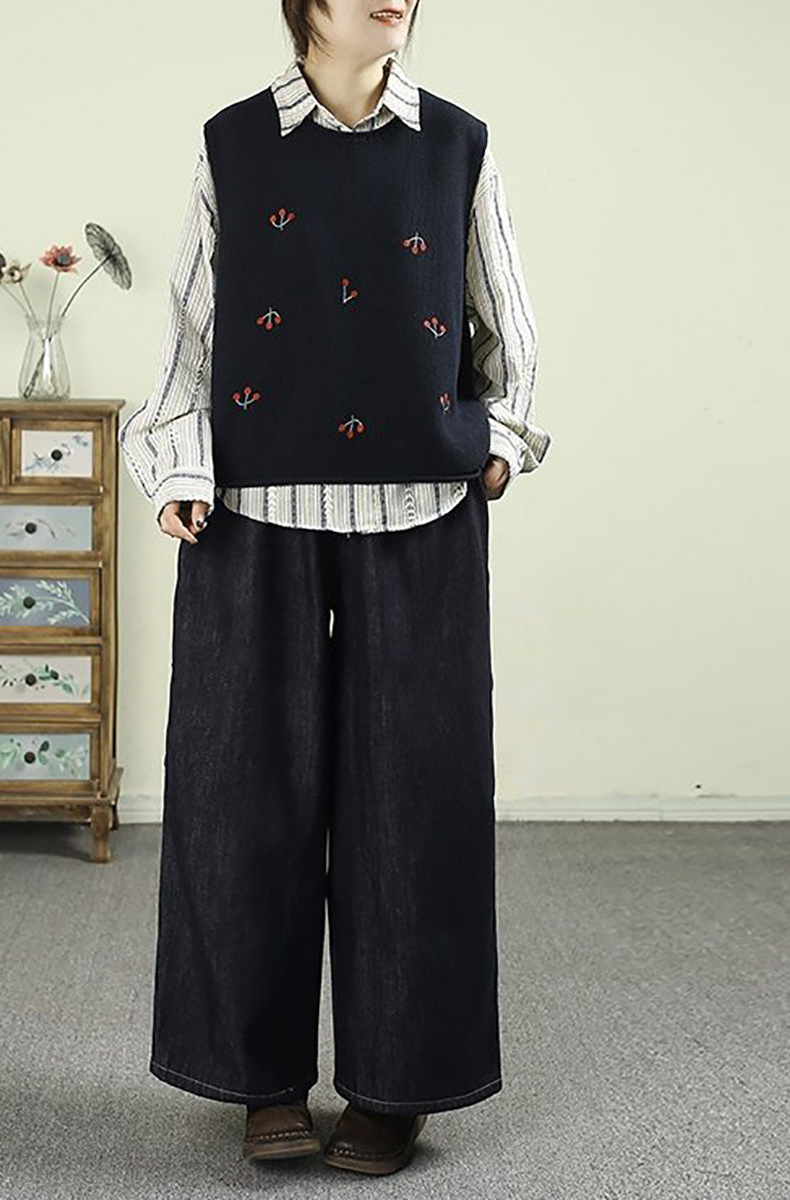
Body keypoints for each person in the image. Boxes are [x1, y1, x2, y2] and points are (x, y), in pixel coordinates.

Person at [118, 0, 551, 1177]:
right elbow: (191, 332)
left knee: (419, 801)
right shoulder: (232, 141)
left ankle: (395, 1086)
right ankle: (258, 1078)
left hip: (421, 514)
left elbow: (507, 315)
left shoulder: (456, 142)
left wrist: (501, 444)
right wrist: (177, 469)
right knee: (239, 797)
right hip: (251, 514)